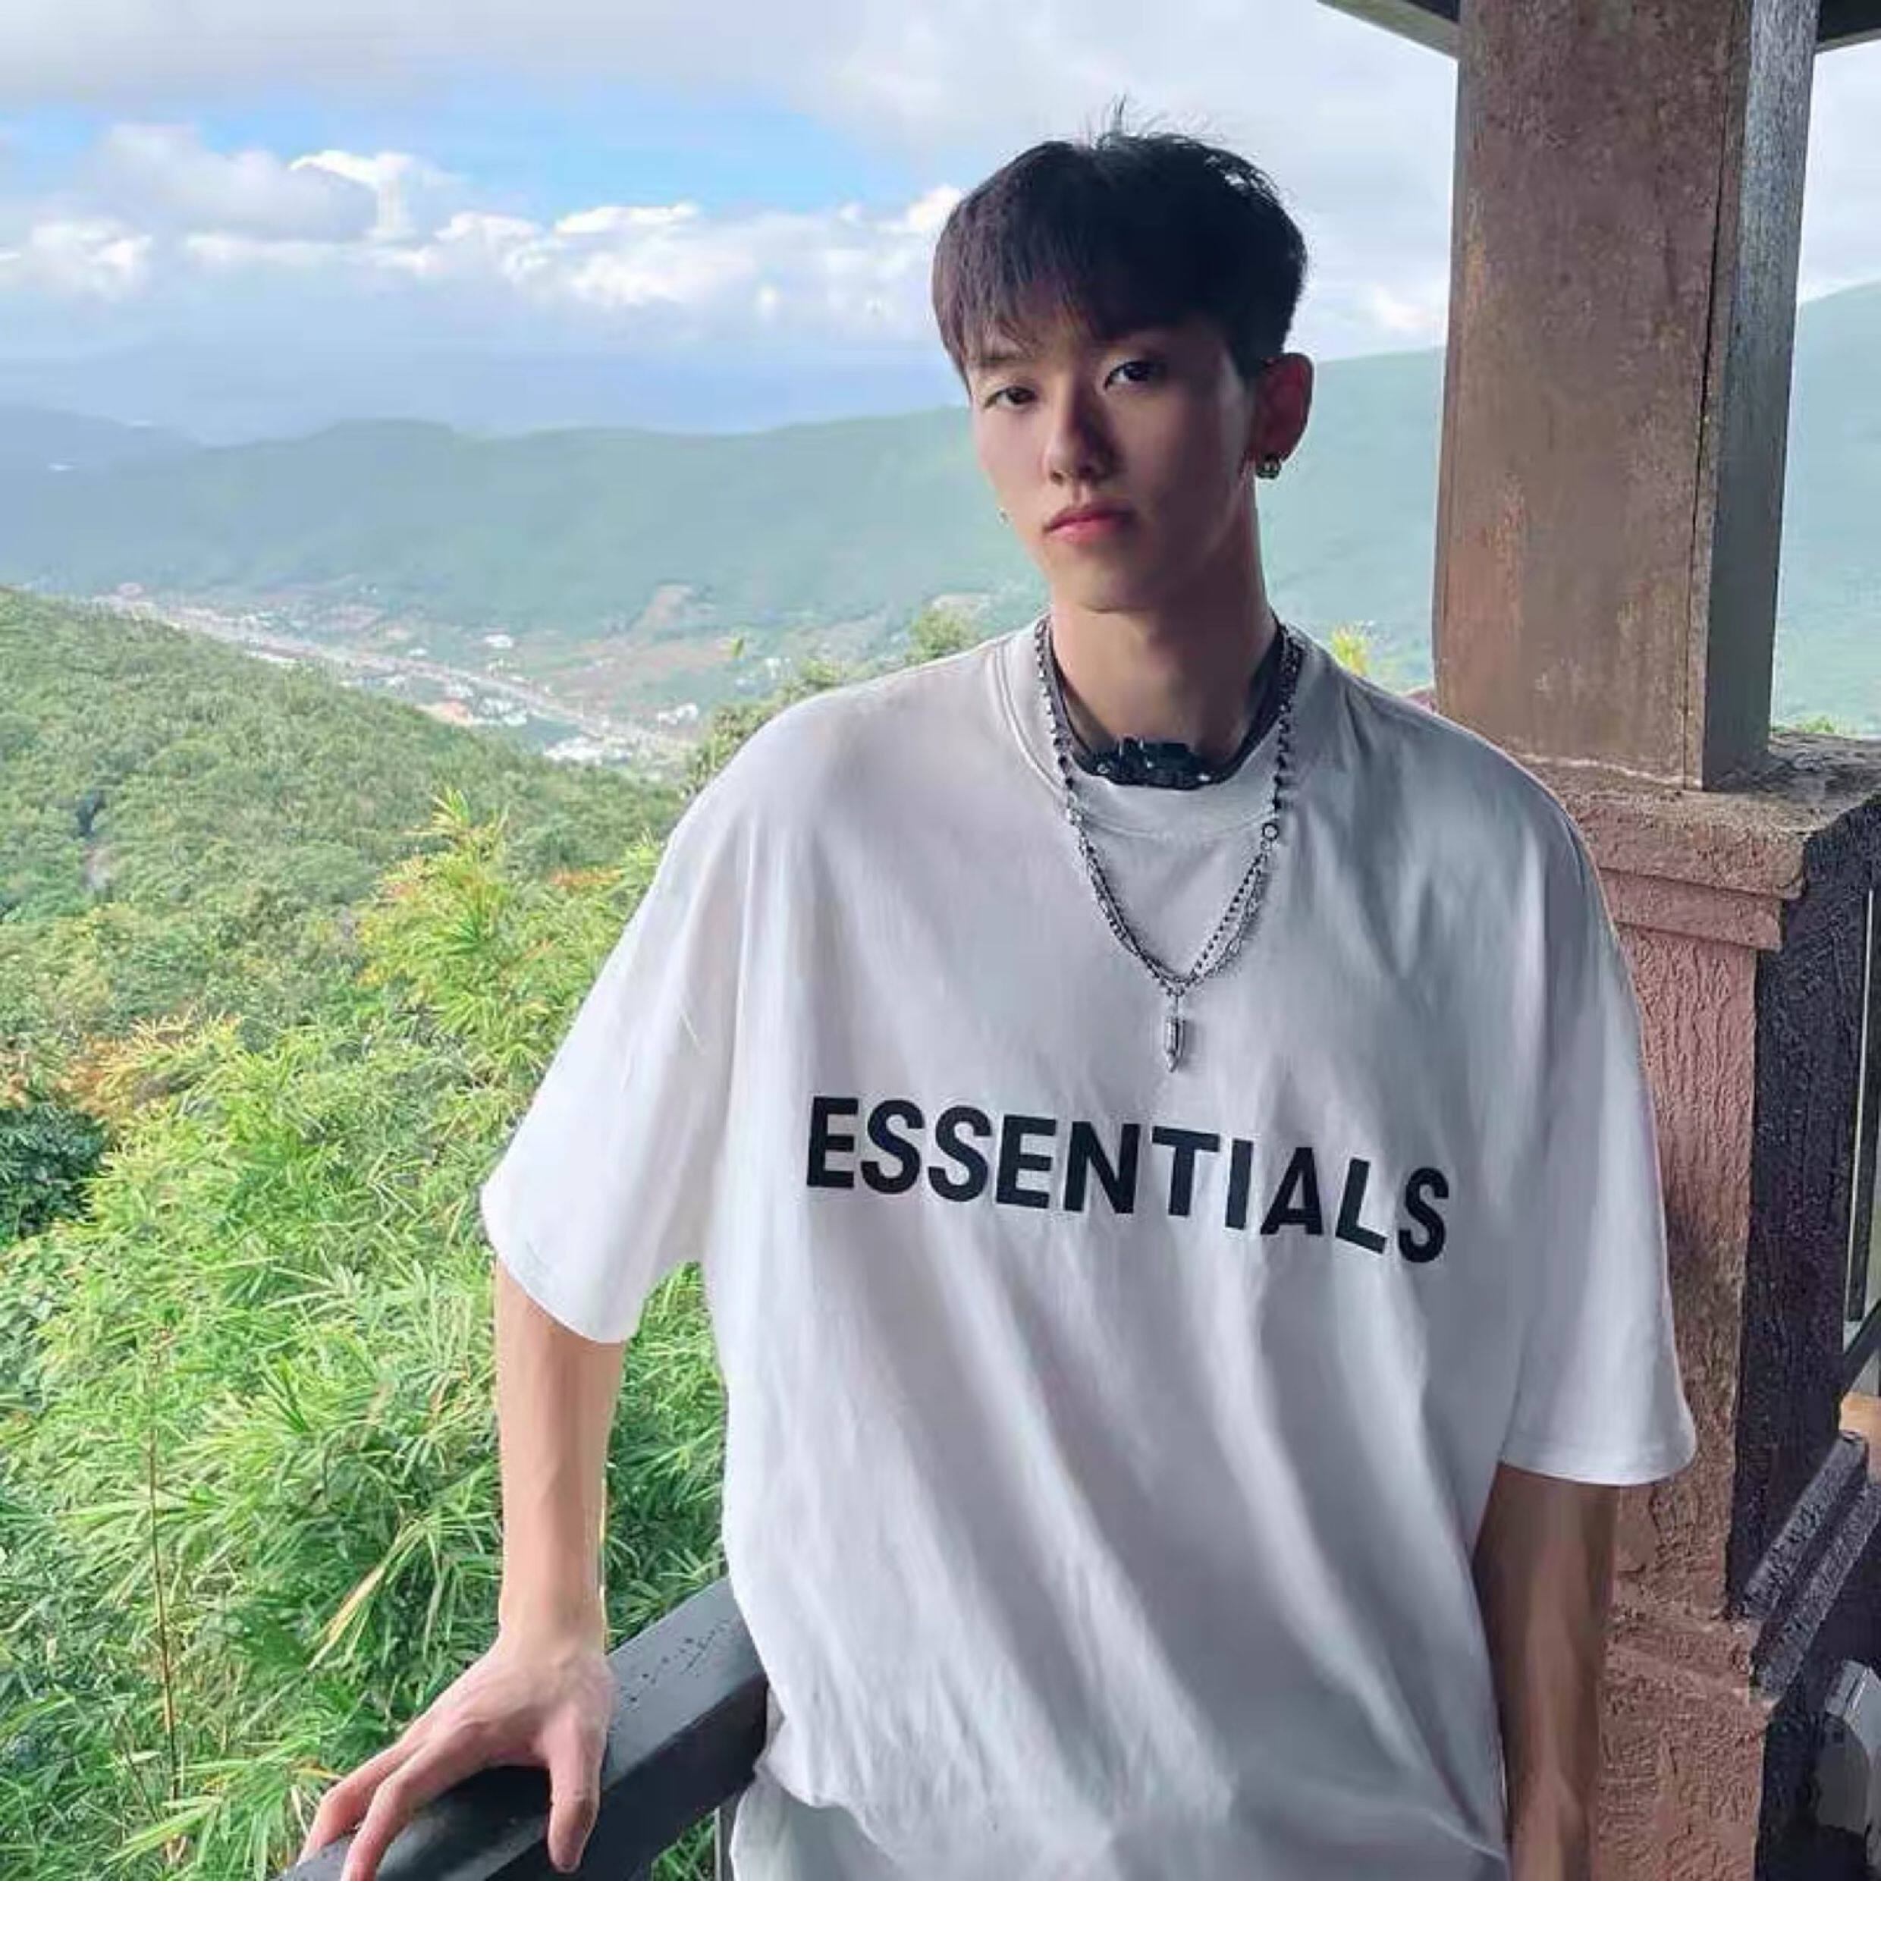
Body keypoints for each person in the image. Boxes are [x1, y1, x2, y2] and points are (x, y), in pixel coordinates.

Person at [297, 108, 1697, 1883]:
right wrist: (547, 1622)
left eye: (1133, 369)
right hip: (885, 1859)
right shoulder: (818, 813)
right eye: (1007, 388)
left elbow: (1561, 1444)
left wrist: (1555, 1859)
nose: (1066, 442)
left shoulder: (1488, 864)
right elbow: (561, 1240)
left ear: (1272, 407)